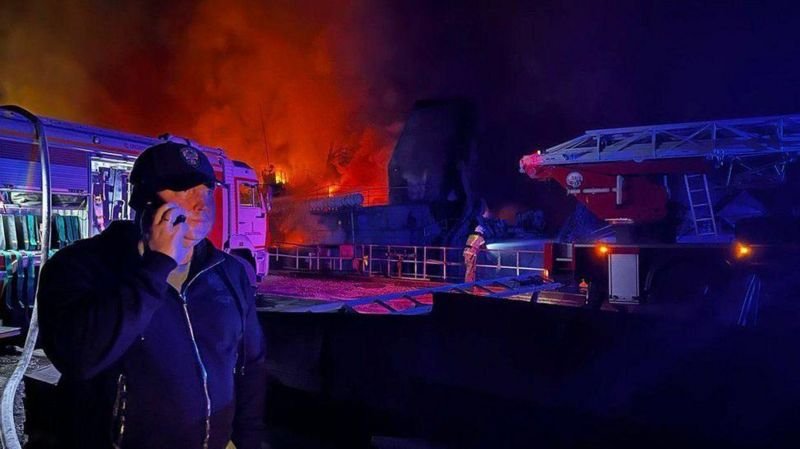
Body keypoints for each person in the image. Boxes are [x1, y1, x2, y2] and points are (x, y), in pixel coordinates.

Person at [37, 142, 267, 449]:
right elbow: (79, 358)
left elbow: (251, 364)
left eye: (206, 190)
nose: (202, 204)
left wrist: (247, 439)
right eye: (185, 190)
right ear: (146, 199)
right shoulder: (79, 266)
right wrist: (156, 267)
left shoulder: (229, 272)